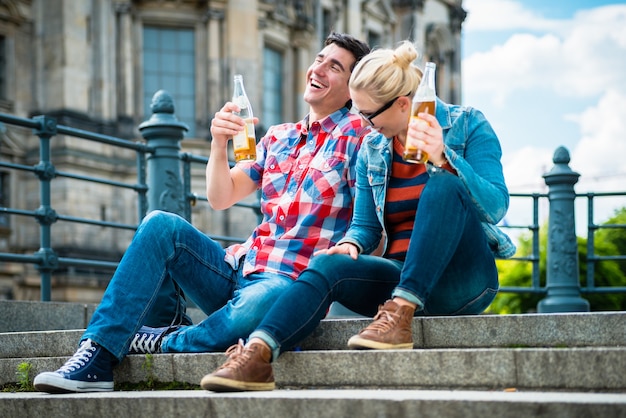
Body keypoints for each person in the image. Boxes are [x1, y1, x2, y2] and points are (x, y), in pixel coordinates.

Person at [33, 32, 371, 394]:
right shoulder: (278, 137)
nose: (318, 68)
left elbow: (370, 224)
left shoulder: (360, 137)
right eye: (319, 58)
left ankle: (165, 339)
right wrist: (218, 142)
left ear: (353, 89)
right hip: (236, 270)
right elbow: (221, 196)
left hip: (289, 283)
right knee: (160, 224)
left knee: (268, 302)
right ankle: (96, 355)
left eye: (334, 66)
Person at [200, 40, 516, 392]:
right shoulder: (374, 147)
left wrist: (444, 157)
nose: (363, 123)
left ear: (402, 104)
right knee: (327, 263)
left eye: (368, 115)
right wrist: (350, 243)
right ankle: (258, 356)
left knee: (443, 186)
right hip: (395, 277)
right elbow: (365, 227)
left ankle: (401, 311)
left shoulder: (468, 124)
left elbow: (497, 206)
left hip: (462, 281)